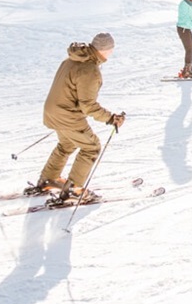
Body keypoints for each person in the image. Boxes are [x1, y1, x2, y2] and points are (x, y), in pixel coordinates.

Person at [29, 32, 126, 203]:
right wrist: (110, 118)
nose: (111, 53)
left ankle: (48, 179)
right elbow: (88, 106)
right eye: (111, 49)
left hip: (53, 110)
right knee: (91, 147)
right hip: (67, 115)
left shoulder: (71, 60)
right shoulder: (89, 70)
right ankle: (74, 190)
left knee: (66, 144)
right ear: (104, 50)